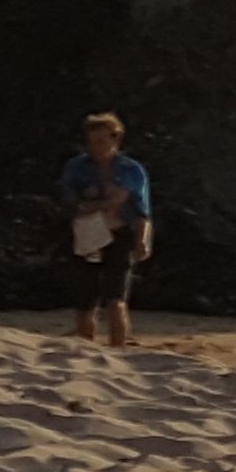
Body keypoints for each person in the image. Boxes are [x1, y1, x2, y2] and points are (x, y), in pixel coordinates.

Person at [60, 111, 151, 346]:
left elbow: (140, 209)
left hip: (119, 235)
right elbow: (72, 204)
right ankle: (84, 351)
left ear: (115, 139)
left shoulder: (131, 170)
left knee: (116, 298)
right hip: (87, 235)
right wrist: (101, 205)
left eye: (101, 141)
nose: (95, 147)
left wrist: (142, 240)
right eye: (91, 142)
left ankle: (117, 350)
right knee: (85, 301)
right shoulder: (77, 167)